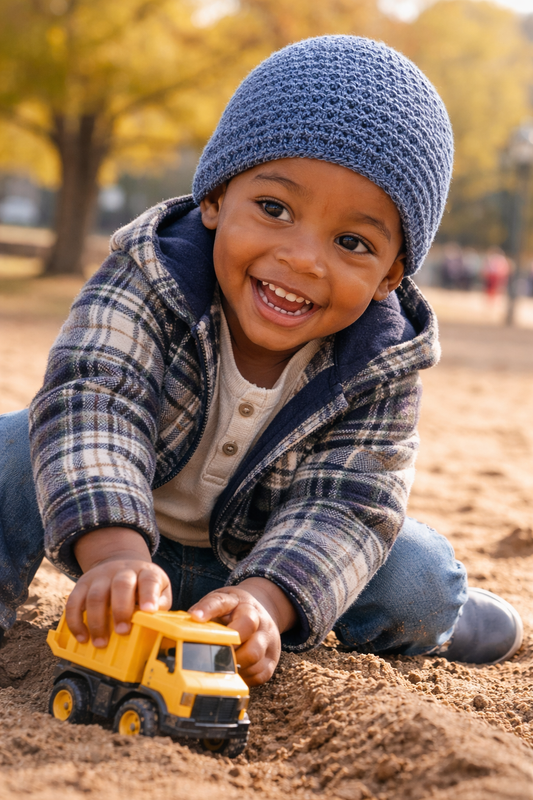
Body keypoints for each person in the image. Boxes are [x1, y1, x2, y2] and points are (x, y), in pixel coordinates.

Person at [0, 36, 522, 687]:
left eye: (351, 241)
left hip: (264, 560)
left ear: (390, 275)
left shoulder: (381, 361)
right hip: (108, 523)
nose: (303, 258)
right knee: (15, 447)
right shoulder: (151, 276)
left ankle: (442, 623)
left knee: (416, 574)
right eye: (274, 209)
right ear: (216, 198)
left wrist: (265, 601)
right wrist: (113, 553)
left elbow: (349, 504)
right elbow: (95, 401)